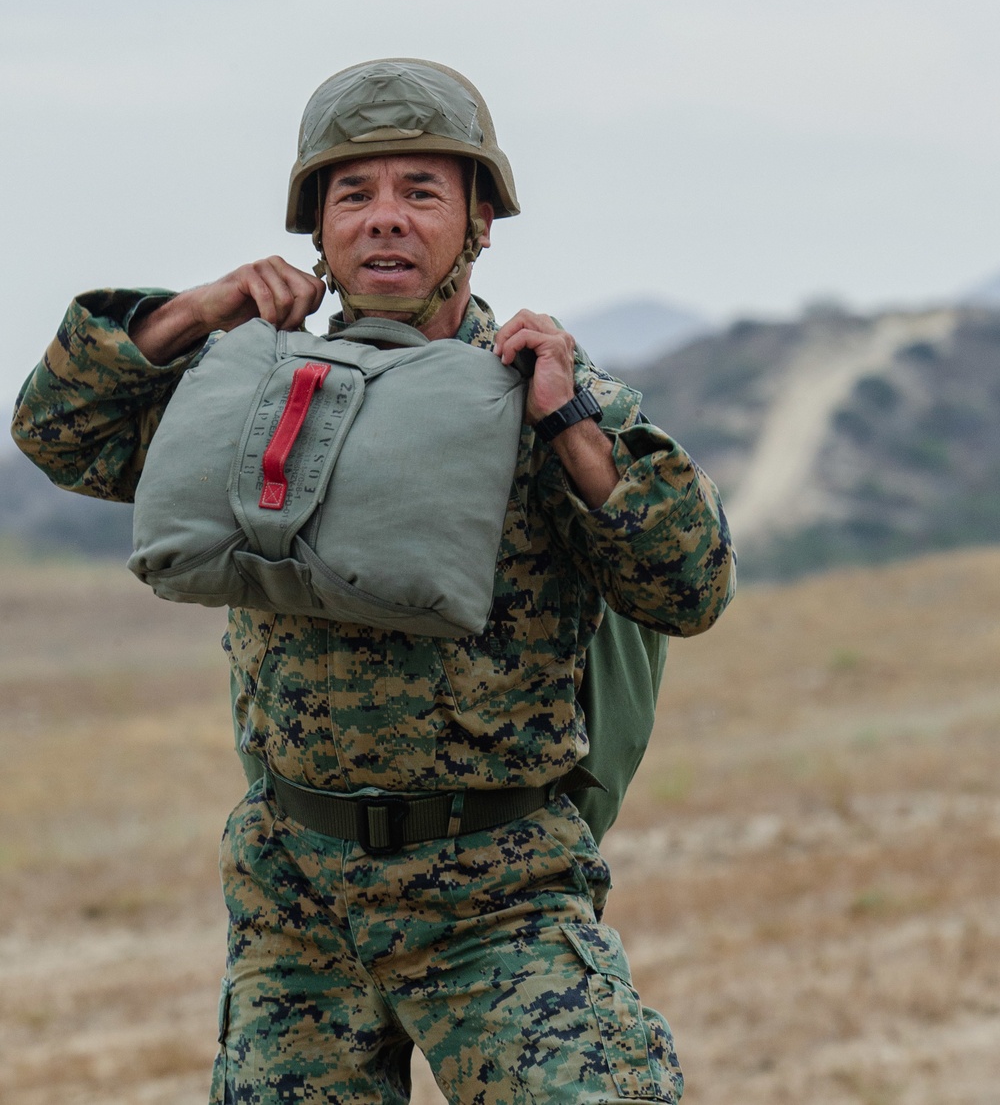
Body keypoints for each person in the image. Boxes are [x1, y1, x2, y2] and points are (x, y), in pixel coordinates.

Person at [13, 58, 735, 1104]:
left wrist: (568, 425)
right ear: (319, 227)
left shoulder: (543, 391)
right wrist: (195, 314)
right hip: (296, 899)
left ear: (479, 219)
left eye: (421, 193)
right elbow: (59, 433)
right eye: (354, 194)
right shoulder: (262, 393)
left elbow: (689, 586)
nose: (385, 221)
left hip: (499, 899)